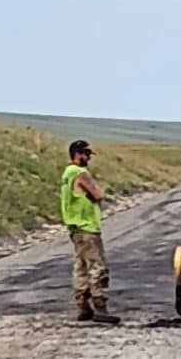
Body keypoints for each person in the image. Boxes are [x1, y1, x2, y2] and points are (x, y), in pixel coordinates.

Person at [60, 139, 118, 325]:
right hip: (87, 226)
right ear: (78, 154)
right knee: (97, 266)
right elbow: (98, 194)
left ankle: (83, 306)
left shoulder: (66, 174)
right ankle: (100, 305)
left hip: (74, 227)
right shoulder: (80, 173)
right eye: (86, 155)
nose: (88, 159)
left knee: (80, 266)